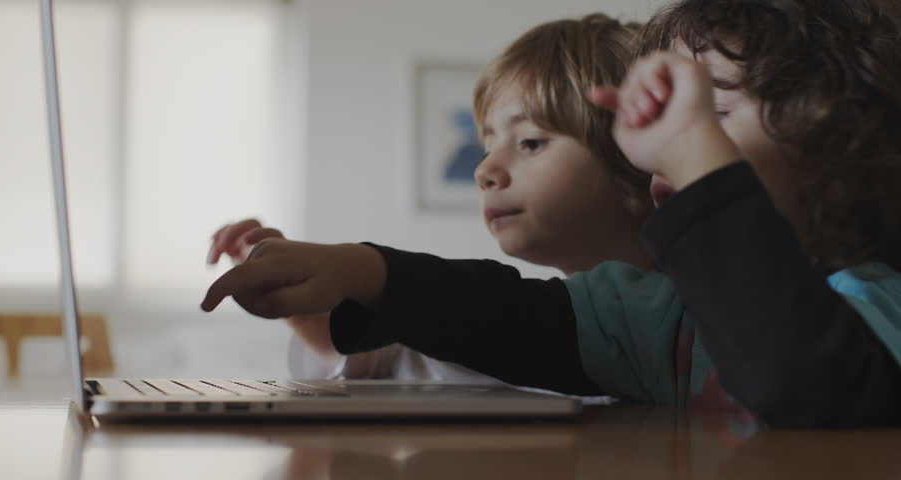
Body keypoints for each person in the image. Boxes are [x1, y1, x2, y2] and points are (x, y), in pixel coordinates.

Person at [201, 0, 901, 427]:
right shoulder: (663, 315)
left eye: (712, 113)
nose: (665, 145)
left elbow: (801, 380)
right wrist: (364, 269)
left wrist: (699, 163)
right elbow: (515, 315)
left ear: (833, 134)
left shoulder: (879, 302)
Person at [207, 14, 653, 386]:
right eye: (487, 146)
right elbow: (382, 359)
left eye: (532, 142)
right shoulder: (490, 331)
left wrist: (360, 269)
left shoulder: (681, 328)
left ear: (643, 159)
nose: (484, 171)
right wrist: (299, 307)